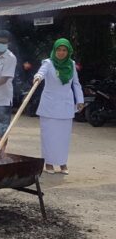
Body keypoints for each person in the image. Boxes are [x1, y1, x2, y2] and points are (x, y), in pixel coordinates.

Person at [34, 38, 84, 175]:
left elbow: (76, 84)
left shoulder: (71, 64)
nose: (61, 53)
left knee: (63, 136)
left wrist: (80, 100)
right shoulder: (48, 63)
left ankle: (62, 163)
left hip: (65, 105)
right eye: (58, 50)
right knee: (48, 135)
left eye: (64, 50)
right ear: (54, 50)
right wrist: (37, 77)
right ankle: (49, 163)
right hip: (49, 105)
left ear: (68, 52)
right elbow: (41, 72)